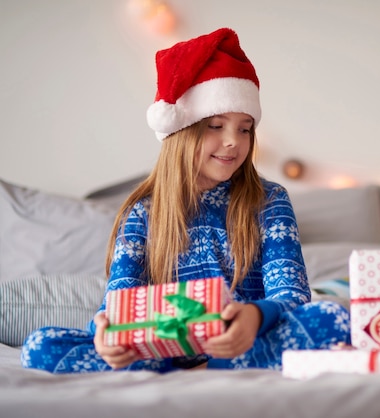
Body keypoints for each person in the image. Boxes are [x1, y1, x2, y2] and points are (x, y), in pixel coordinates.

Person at [21, 27, 351, 373]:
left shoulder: (270, 201)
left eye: (244, 128)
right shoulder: (143, 212)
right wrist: (105, 331)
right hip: (162, 347)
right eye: (215, 126)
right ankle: (202, 369)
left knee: (332, 319)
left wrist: (254, 316)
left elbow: (292, 295)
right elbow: (119, 302)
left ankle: (201, 369)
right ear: (182, 130)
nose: (233, 142)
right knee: (40, 346)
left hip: (247, 339)